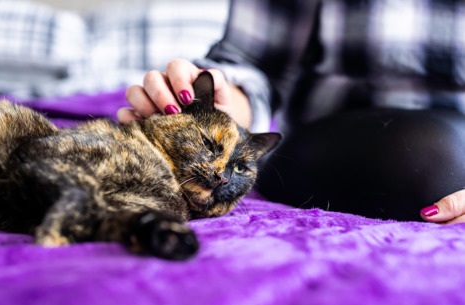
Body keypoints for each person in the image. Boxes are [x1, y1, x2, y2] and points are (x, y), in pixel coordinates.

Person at [117, 0, 465, 223]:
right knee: (433, 156)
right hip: (323, 144)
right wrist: (220, 105)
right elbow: (254, 63)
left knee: (444, 159)